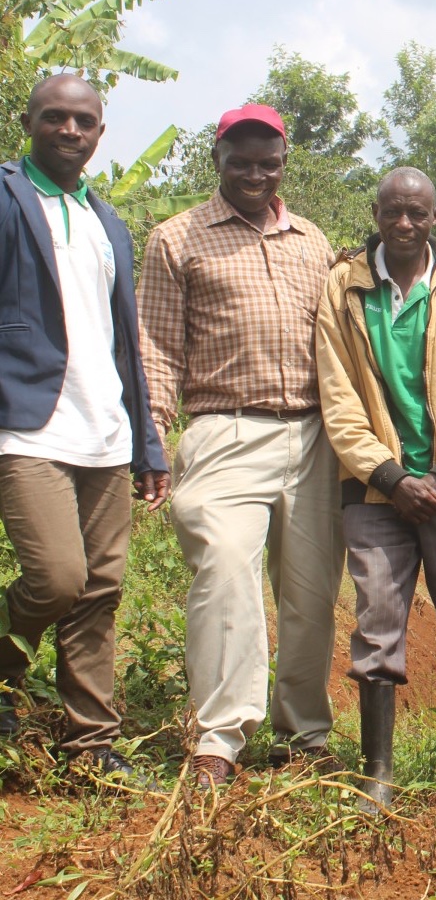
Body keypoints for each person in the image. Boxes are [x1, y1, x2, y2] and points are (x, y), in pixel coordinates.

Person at [138, 103, 344, 788]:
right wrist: (153, 437)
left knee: (311, 593)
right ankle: (219, 740)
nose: (255, 173)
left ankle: (304, 733)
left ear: (284, 163)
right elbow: (158, 347)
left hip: (314, 435)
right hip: (225, 429)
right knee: (224, 570)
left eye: (268, 161)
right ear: (217, 161)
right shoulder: (179, 238)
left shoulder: (312, 241)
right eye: (241, 160)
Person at [315, 167, 436, 810]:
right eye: (393, 212)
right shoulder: (343, 287)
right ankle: (378, 774)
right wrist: (392, 476)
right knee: (376, 623)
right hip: (376, 493)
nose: (405, 224)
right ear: (376, 213)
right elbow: (337, 396)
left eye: (417, 214)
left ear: (435, 217)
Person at [0, 74, 168, 775]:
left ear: (101, 132)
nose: (70, 131)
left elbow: (124, 341)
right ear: (29, 121)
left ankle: (90, 746)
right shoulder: (7, 198)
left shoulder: (107, 221)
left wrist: (148, 442)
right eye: (56, 118)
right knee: (59, 578)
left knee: (100, 591)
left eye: (85, 121)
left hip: (105, 431)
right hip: (27, 425)